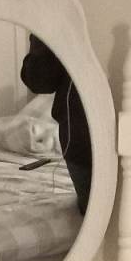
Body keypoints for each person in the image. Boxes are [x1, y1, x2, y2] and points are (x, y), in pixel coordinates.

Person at [20, 34, 92, 215]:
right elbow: (40, 82)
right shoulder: (54, 19)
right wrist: (45, 35)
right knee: (96, 221)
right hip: (78, 143)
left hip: (101, 133)